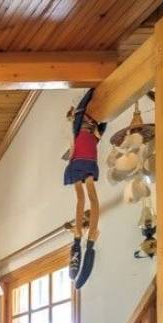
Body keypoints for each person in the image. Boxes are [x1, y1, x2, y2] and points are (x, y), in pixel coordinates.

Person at [64, 89, 106, 289]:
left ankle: (86, 238)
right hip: (81, 162)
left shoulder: (87, 133)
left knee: (91, 198)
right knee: (82, 198)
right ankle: (80, 235)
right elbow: (74, 145)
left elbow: (99, 130)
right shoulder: (79, 130)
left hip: (85, 162)